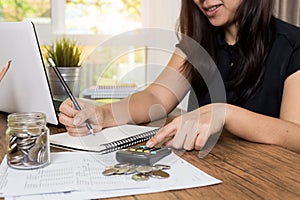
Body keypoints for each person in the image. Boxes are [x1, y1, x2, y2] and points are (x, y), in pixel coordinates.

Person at [59, 0, 300, 153]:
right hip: (206, 169)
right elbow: (156, 96)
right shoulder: (198, 43)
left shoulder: (292, 45)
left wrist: (226, 113)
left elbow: (295, 136)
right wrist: (105, 114)